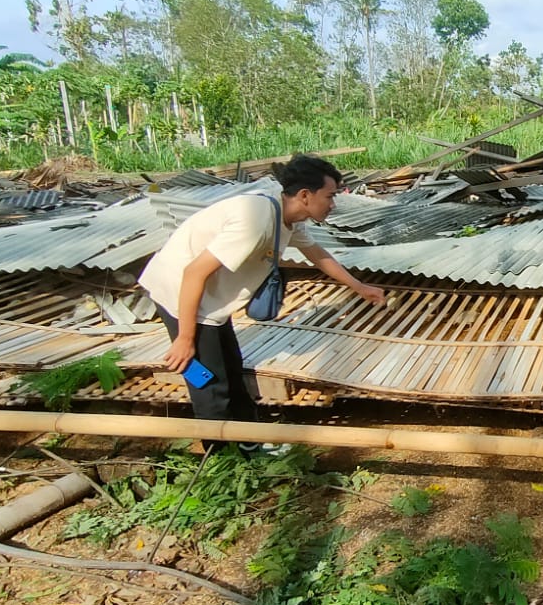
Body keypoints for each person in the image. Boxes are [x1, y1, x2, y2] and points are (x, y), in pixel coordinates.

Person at [139, 154, 385, 428]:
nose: (333, 204)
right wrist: (185, 338)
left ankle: (247, 445)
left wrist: (360, 287)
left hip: (211, 304)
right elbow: (193, 273)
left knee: (232, 370)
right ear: (305, 195)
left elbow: (316, 253)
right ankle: (218, 458)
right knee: (207, 382)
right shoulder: (254, 221)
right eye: (329, 196)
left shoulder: (286, 217)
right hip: (179, 295)